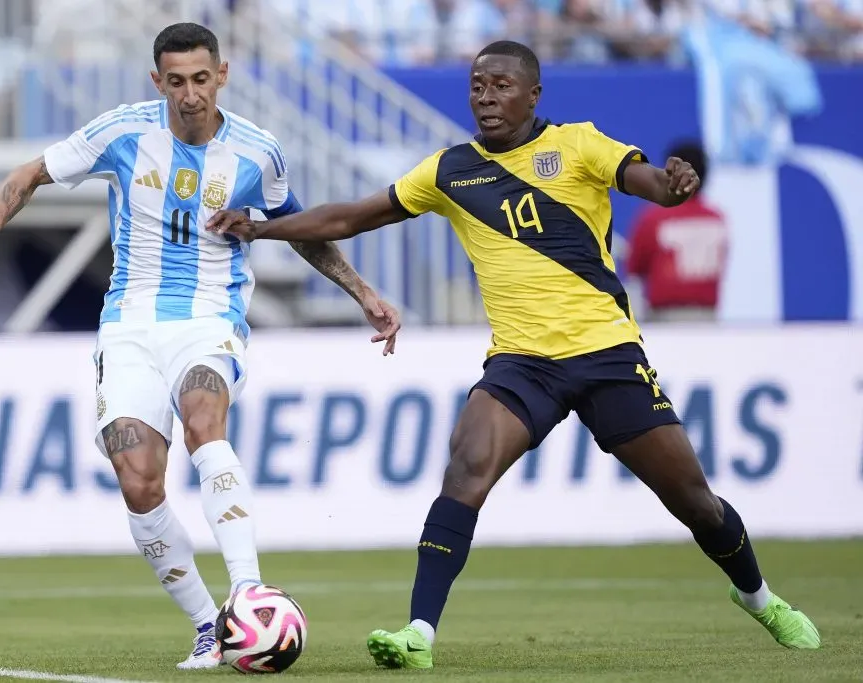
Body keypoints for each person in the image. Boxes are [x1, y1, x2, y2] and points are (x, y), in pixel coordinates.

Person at [206, 39, 821, 670]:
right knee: (466, 466)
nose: (487, 98)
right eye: (477, 87)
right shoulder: (449, 170)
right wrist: (262, 226)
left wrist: (673, 184)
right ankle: (418, 633)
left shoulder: (578, 144)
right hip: (522, 362)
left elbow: (653, 185)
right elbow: (351, 218)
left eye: (502, 86)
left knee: (694, 501)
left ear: (533, 95)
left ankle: (761, 599)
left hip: (608, 353)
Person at [0, 22, 400, 671]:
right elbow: (28, 173)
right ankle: (212, 626)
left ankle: (249, 590)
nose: (189, 94)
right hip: (128, 325)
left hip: (211, 316)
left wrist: (362, 291)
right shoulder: (123, 132)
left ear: (222, 76)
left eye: (200, 80)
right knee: (138, 476)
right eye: (175, 81)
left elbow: (298, 229)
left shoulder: (258, 153)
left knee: (204, 418)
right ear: (158, 82)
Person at [626, 140, 728, 322]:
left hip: (665, 319)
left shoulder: (655, 218)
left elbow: (635, 267)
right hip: (708, 318)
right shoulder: (716, 219)